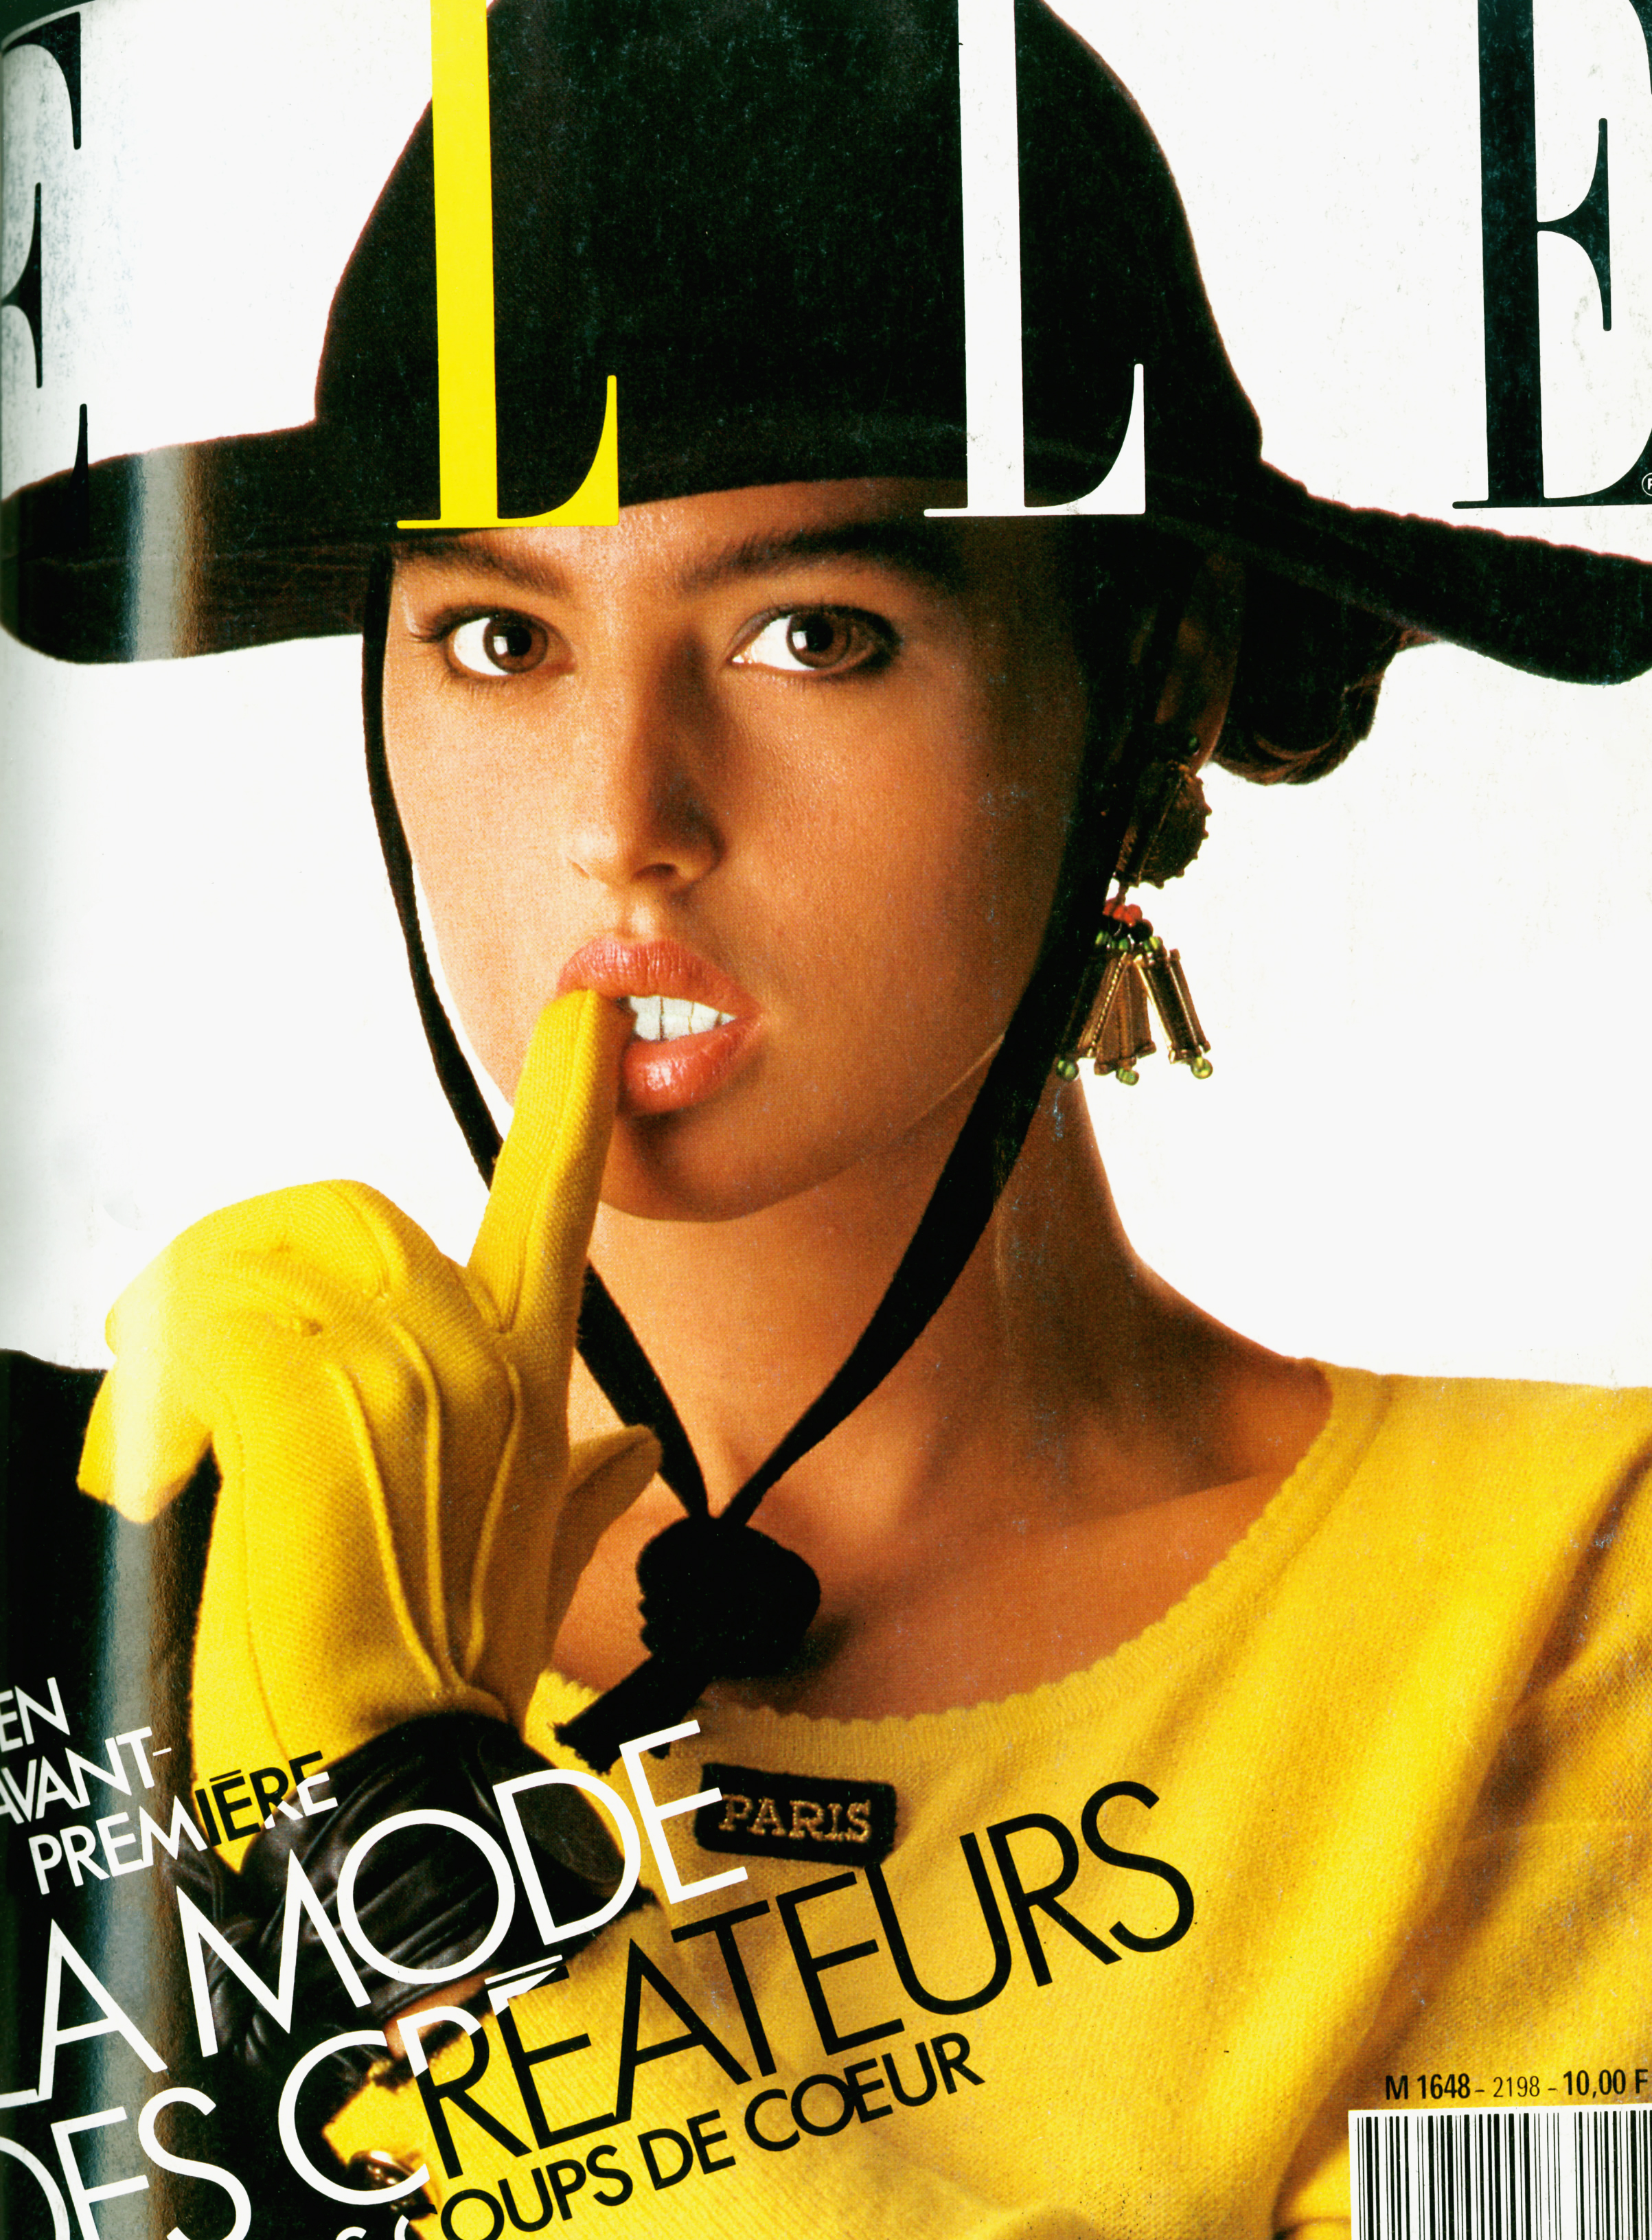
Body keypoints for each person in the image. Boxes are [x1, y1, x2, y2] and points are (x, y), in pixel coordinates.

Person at [5, 3, 1652, 2236]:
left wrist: (409, 1885)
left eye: (811, 635)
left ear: (1148, 679)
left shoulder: (1566, 1605)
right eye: (498, 641)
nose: (623, 820)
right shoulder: (100, 1574)